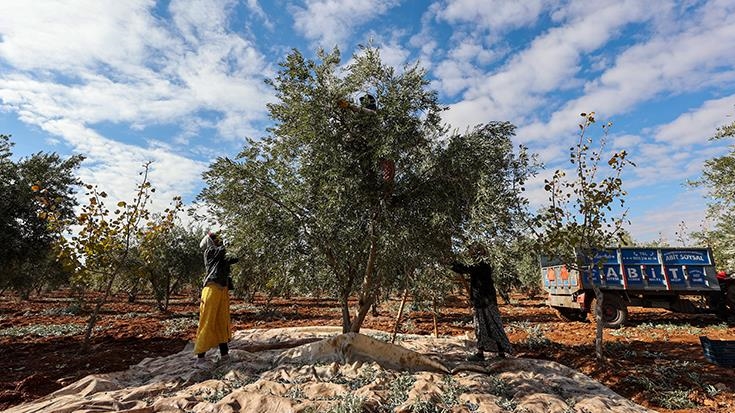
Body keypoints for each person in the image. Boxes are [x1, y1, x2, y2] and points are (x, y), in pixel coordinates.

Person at [449, 246, 513, 361]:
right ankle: (493, 352)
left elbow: (463, 268)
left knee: (487, 325)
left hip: (485, 301)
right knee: (488, 326)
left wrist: (451, 263)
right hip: (484, 300)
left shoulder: (481, 264)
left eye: (472, 252)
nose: (470, 254)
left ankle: (488, 353)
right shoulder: (482, 263)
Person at [194, 231, 238, 363]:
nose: (219, 241)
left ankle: (224, 355)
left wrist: (243, 244)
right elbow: (223, 250)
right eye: (217, 239)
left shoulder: (222, 255)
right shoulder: (210, 252)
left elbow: (234, 258)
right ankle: (200, 357)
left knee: (222, 322)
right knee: (207, 321)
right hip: (211, 289)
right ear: (211, 242)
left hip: (222, 290)